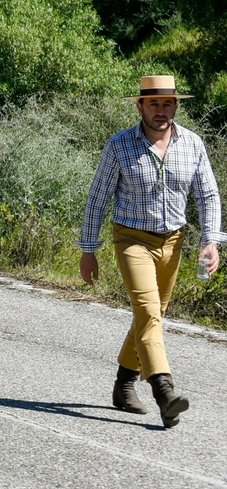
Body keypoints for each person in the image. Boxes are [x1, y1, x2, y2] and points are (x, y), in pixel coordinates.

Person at [79, 74, 222, 429]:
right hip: (131, 240)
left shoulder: (192, 144)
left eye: (167, 103)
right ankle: (164, 391)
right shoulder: (119, 145)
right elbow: (98, 199)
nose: (161, 110)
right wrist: (88, 249)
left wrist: (211, 241)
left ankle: (124, 384)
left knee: (151, 315)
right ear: (139, 106)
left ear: (176, 107)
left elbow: (208, 195)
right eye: (153, 103)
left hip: (173, 243)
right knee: (148, 311)